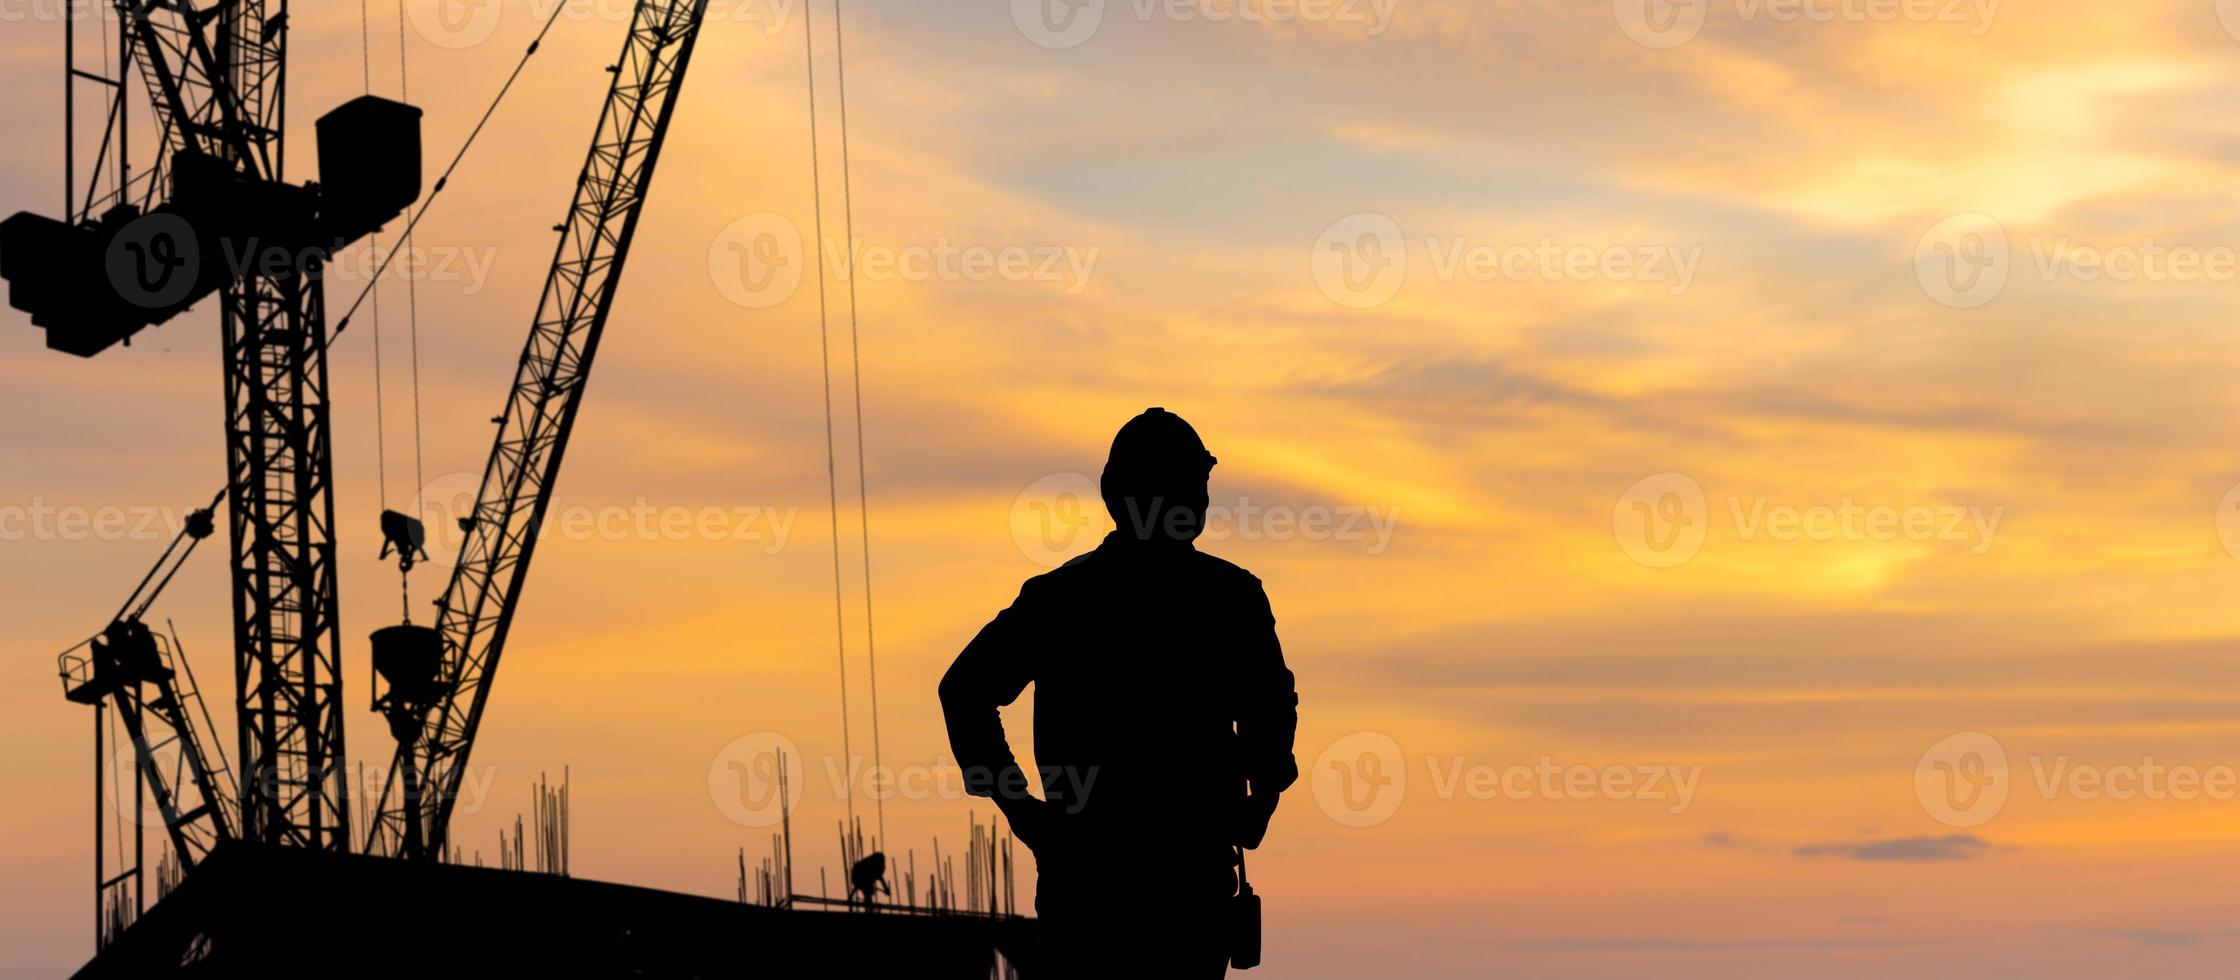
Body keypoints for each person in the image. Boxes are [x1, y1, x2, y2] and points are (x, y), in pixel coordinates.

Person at [940, 408, 1299, 978]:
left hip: (1108, 884)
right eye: (1187, 485)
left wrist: (1021, 811)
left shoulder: (1063, 600)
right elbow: (1272, 718)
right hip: (1154, 885)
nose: (1195, 501)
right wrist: (1261, 798)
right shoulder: (1228, 600)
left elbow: (1271, 715)